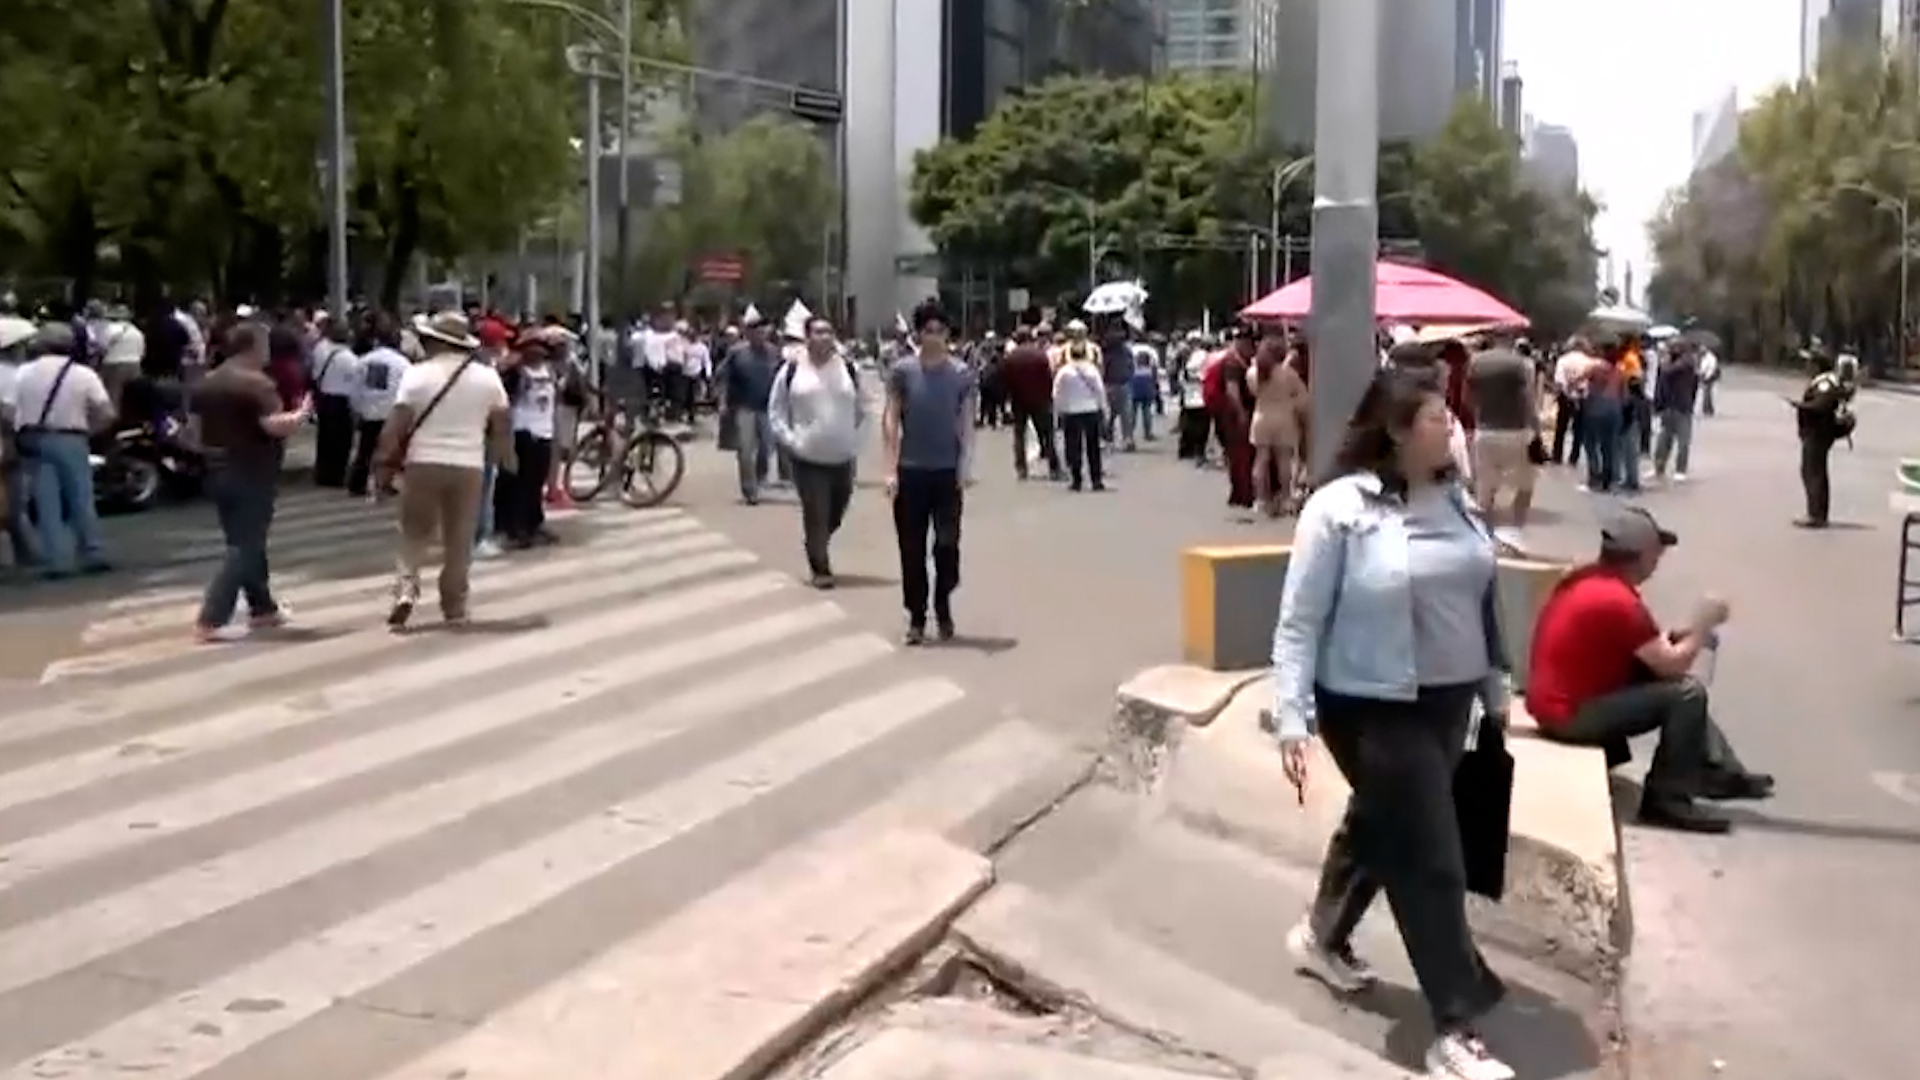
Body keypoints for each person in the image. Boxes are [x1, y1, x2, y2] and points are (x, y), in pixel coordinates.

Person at [1271, 366, 1519, 1080]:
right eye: (1439, 416)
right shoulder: (1339, 509)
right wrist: (1293, 717)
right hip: (1368, 704)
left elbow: (1482, 601)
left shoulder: (1459, 500)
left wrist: (1495, 688)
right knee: (1429, 855)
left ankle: (1321, 937)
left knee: (1381, 827)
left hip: (1447, 702)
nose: (1454, 425)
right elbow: (1298, 621)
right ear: (1397, 429)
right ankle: (1454, 1028)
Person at [1526, 506, 1774, 833]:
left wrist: (1681, 636)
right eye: (1656, 552)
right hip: (1568, 715)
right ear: (1641, 555)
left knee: (1669, 681)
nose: (1658, 561)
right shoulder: (1617, 600)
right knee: (1686, 693)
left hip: (1560, 700)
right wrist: (1703, 624)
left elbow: (1647, 648)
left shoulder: (1590, 580)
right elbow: (1671, 664)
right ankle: (1666, 798)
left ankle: (1716, 770)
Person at [374, 311, 515, 629]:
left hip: (422, 463)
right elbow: (503, 423)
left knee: (414, 533)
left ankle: (406, 590)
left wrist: (382, 463)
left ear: (434, 341)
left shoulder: (416, 374)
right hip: (468, 466)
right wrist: (505, 455)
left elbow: (397, 424)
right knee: (459, 540)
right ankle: (454, 606)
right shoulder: (488, 377)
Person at [188, 321, 312, 643]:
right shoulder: (257, 384)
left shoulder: (207, 382)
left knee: (243, 540)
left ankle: (262, 607)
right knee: (245, 545)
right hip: (252, 469)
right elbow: (273, 425)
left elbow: (192, 431)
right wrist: (300, 415)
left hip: (216, 468)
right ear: (255, 347)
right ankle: (212, 616)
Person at [882, 300, 976, 645]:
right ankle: (918, 616)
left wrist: (966, 465)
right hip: (911, 471)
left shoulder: (961, 373)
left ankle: (943, 601)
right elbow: (891, 418)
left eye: (940, 331)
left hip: (947, 472)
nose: (934, 337)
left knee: (947, 546)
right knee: (912, 548)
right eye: (927, 331)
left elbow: (965, 421)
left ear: (948, 334)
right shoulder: (902, 371)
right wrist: (890, 469)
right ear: (918, 334)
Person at [10, 324, 114, 577]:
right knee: (81, 496)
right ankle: (91, 553)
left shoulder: (23, 373)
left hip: (34, 439)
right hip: (72, 437)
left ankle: (57, 560)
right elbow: (107, 413)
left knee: (47, 501)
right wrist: (89, 431)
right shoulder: (83, 374)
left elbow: (8, 409)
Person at [770, 316, 865, 588]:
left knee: (837, 511)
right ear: (807, 337)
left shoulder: (848, 368)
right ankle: (820, 565)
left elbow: (864, 408)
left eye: (829, 331)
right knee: (816, 511)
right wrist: (790, 440)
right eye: (818, 332)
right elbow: (776, 409)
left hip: (843, 456)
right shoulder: (792, 370)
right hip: (808, 456)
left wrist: (857, 441)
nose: (825, 337)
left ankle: (817, 538)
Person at [1465, 341, 1540, 531]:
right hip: (1516, 431)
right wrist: (1536, 427)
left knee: (1485, 485)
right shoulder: (1517, 363)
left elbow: (1467, 398)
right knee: (1525, 484)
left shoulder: (1476, 362)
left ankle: (1485, 528)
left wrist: (1480, 412)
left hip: (1485, 431)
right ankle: (1517, 526)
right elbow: (1527, 399)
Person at [496, 331, 560, 549]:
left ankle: (534, 522)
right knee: (519, 483)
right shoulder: (517, 373)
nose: (539, 352)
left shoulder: (549, 371)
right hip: (523, 431)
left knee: (536, 482)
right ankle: (516, 527)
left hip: (544, 431)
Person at [348, 314, 409, 498]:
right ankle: (386, 482)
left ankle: (357, 483)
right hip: (391, 410)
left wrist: (356, 406)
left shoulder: (364, 360)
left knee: (365, 449)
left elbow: (356, 386)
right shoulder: (402, 363)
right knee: (391, 451)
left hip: (369, 410)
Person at [1247, 336, 1307, 516]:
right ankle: (1286, 499)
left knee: (1261, 460)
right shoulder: (1288, 374)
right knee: (1284, 461)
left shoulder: (1253, 373)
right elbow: (1303, 398)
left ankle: (1260, 500)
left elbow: (1253, 392)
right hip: (1284, 418)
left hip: (1261, 417)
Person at [1792, 348, 1852, 528]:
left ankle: (1816, 515)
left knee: (1813, 472)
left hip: (1818, 432)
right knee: (1813, 471)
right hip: (1818, 433)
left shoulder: (1825, 383)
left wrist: (1801, 406)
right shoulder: (1824, 381)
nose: (1806, 366)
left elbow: (1822, 405)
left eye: (1810, 362)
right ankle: (1817, 512)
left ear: (1818, 365)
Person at [999, 326, 1060, 481]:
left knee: (1019, 435)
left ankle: (1021, 468)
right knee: (1047, 434)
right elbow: (1048, 378)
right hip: (1040, 400)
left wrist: (1008, 399)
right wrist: (1048, 396)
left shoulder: (1011, 357)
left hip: (1019, 401)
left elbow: (1006, 381)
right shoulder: (1040, 355)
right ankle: (1054, 467)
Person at [1206, 327, 1257, 510]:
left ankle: (1241, 493)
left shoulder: (1236, 360)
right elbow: (1232, 390)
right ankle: (1242, 494)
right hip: (1233, 414)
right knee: (1239, 454)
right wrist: (1241, 413)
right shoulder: (1233, 363)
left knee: (1240, 455)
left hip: (1232, 413)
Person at [1052, 331, 1108, 492]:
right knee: (1093, 447)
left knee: (1073, 446)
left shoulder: (1064, 372)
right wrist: (1103, 408)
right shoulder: (1091, 370)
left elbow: (1057, 393)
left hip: (1071, 411)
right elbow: (1099, 390)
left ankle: (1076, 479)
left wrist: (1059, 411)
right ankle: (1096, 480)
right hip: (1090, 410)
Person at [309, 317, 359, 487]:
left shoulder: (320, 348)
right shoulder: (348, 357)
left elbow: (314, 373)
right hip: (341, 400)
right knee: (341, 441)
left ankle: (322, 473)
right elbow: (355, 382)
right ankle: (336, 476)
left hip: (324, 397)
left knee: (325, 439)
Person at [1650, 340, 1700, 483]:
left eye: (1674, 347)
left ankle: (1680, 470)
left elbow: (1669, 371)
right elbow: (1661, 382)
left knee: (1683, 441)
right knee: (1663, 440)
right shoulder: (1672, 362)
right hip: (1668, 406)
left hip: (1682, 406)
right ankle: (1658, 468)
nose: (1671, 350)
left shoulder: (1687, 362)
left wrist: (1664, 361)